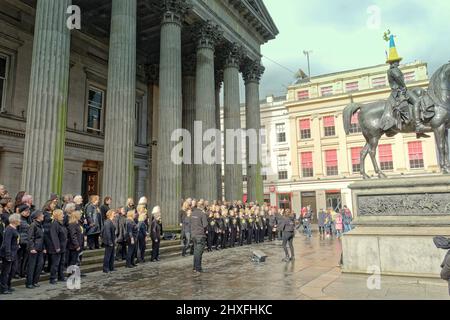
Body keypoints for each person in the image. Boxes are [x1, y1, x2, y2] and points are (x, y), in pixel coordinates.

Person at [0, 214, 20, 294]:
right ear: (15, 221)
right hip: (8, 254)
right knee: (6, 272)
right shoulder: (9, 229)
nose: (20, 221)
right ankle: (3, 288)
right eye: (19, 219)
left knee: (13, 270)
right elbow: (6, 243)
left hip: (14, 253)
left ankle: (8, 286)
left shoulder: (14, 228)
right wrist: (8, 255)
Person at [26, 210, 45, 289]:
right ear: (37, 216)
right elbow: (30, 238)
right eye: (42, 215)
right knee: (31, 266)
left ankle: (35, 281)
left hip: (40, 248)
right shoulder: (33, 225)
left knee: (40, 265)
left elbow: (42, 238)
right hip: (34, 249)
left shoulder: (40, 225)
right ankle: (29, 283)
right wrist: (32, 248)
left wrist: (43, 248)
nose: (43, 216)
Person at [48, 209, 68, 284]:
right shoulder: (54, 224)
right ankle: (52, 278)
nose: (63, 216)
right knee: (55, 264)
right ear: (57, 215)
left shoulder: (60, 223)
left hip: (63, 247)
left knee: (61, 263)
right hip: (56, 248)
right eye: (61, 214)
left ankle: (61, 276)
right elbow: (54, 236)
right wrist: (57, 247)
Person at [190, 200, 208, 273]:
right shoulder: (202, 214)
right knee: (199, 252)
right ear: (202, 207)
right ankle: (198, 268)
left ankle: (195, 267)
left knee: (196, 252)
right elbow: (205, 225)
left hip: (193, 234)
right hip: (200, 235)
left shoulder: (192, 213)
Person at [17, 205, 31, 278]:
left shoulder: (28, 219)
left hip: (27, 241)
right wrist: (18, 242)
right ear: (21, 212)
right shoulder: (18, 219)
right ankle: (18, 272)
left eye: (28, 211)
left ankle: (23, 272)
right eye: (26, 211)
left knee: (25, 258)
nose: (28, 212)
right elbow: (17, 231)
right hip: (21, 242)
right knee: (19, 258)